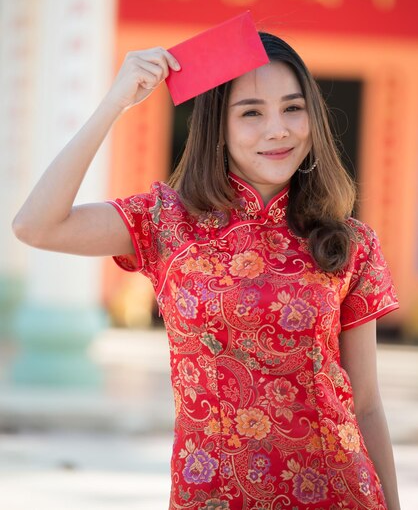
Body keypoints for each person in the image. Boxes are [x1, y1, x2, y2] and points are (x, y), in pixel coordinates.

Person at [12, 32, 401, 510]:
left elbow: (365, 403)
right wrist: (114, 104)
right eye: (252, 112)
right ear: (218, 126)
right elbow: (36, 225)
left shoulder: (349, 242)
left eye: (293, 108)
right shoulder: (166, 222)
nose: (277, 129)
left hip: (338, 492)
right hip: (213, 495)